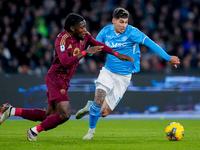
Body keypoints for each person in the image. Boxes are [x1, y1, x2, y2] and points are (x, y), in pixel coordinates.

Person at [0, 13, 133, 141]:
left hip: (64, 80)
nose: (84, 30)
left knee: (49, 115)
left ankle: (11, 111)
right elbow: (65, 62)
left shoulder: (85, 35)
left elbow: (98, 44)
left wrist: (116, 54)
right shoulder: (62, 39)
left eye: (84, 26)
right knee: (65, 114)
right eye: (81, 28)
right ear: (72, 28)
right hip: (55, 79)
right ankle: (33, 131)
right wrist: (86, 52)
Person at [75, 8, 180, 139]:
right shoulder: (106, 32)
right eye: (121, 22)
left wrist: (167, 57)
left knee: (104, 112)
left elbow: (151, 44)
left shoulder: (133, 32)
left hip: (124, 77)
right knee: (99, 97)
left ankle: (91, 106)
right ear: (113, 21)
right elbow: (94, 44)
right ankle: (91, 131)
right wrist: (85, 49)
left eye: (126, 22)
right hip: (108, 72)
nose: (124, 25)